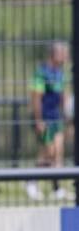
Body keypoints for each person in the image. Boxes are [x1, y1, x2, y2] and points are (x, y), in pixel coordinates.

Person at [25, 41, 72, 202]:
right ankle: (31, 181)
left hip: (56, 117)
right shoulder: (41, 73)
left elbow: (64, 97)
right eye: (63, 53)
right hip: (43, 117)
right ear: (54, 55)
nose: (66, 56)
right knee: (49, 152)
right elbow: (36, 98)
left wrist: (68, 118)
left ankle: (57, 188)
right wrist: (39, 120)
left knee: (58, 152)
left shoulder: (61, 73)